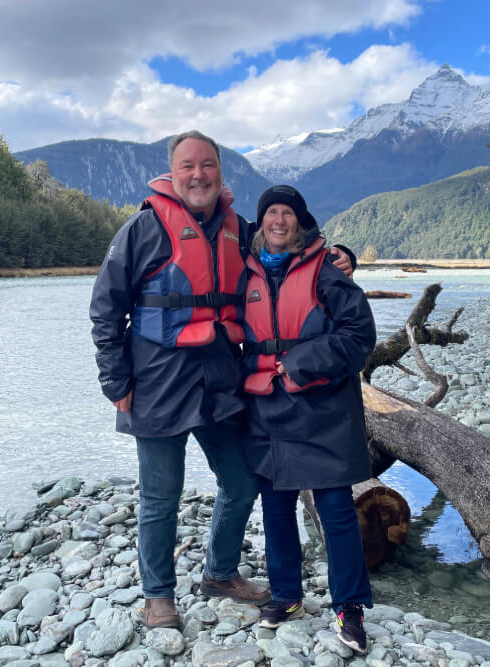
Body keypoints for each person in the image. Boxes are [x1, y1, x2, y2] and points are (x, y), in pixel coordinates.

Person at [89, 131, 353, 629]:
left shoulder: (240, 228)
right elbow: (106, 310)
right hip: (155, 380)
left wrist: (341, 256)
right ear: (173, 172)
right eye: (188, 166)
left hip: (220, 379)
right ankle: (158, 596)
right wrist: (114, 380)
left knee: (241, 480)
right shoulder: (142, 229)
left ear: (220, 172)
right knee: (160, 495)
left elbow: (289, 246)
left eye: (207, 165)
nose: (198, 175)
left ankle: (219, 572)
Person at [240, 185, 376, 654]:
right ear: (261, 224)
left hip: (322, 406)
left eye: (287, 214)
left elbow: (360, 334)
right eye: (271, 213)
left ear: (300, 222)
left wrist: (298, 363)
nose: (278, 221)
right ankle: (286, 595)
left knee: (336, 511)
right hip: (267, 407)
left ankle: (350, 609)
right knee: (275, 507)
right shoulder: (247, 270)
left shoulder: (326, 270)